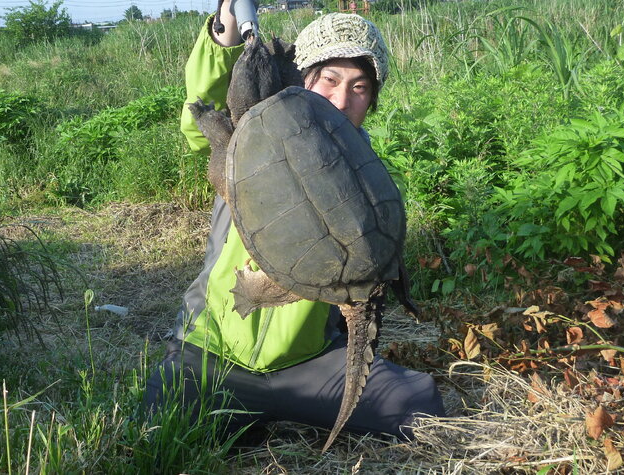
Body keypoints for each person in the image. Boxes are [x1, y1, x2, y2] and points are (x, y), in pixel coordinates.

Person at [142, 3, 445, 445]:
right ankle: (243, 411)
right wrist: (227, 27)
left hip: (308, 364)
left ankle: (265, 411)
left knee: (419, 404)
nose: (342, 99)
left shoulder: (365, 172)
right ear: (304, 80)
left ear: (373, 98)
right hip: (209, 355)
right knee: (155, 434)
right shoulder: (246, 139)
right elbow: (199, 118)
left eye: (360, 87)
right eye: (330, 80)